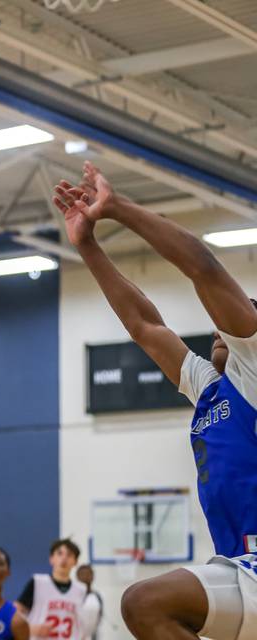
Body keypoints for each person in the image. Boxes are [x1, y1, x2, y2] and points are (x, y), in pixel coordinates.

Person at [53, 162, 257, 640]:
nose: (217, 332)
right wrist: (88, 246)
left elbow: (202, 268)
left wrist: (118, 207)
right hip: (238, 561)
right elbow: (145, 327)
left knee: (146, 603)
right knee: (150, 609)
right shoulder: (212, 389)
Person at [15, 539, 86, 639]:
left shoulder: (80, 590)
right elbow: (14, 614)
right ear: (51, 559)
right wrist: (32, 628)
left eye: (69, 555)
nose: (64, 558)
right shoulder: (38, 582)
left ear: (75, 562)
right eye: (59, 553)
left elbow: (80, 627)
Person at [76, 565, 102, 640]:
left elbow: (99, 618)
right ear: (77, 577)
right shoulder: (73, 596)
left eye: (88, 574)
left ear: (93, 576)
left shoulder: (97, 597)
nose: (86, 576)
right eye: (82, 574)